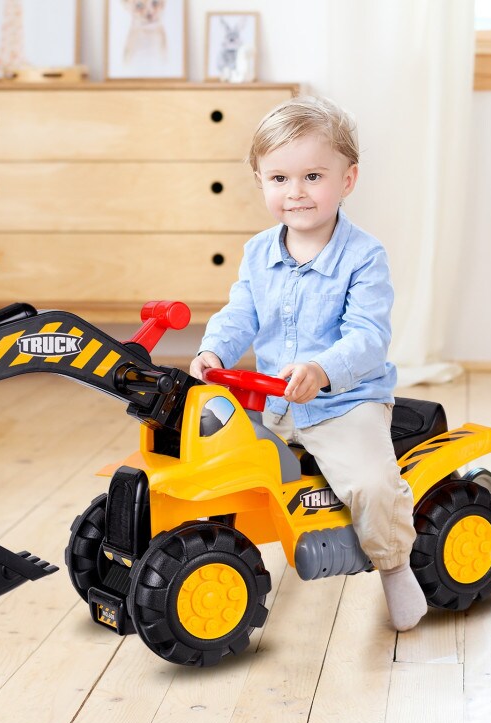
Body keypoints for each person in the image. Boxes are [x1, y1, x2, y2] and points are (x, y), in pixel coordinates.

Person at [189, 96, 427, 632]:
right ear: (260, 181)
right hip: (269, 399)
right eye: (279, 178)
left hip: (342, 402)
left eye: (312, 176)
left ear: (347, 179)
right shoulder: (257, 253)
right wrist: (213, 352)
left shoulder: (364, 257)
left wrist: (321, 370)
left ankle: (394, 565)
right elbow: (239, 314)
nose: (295, 193)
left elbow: (368, 336)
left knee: (369, 482)